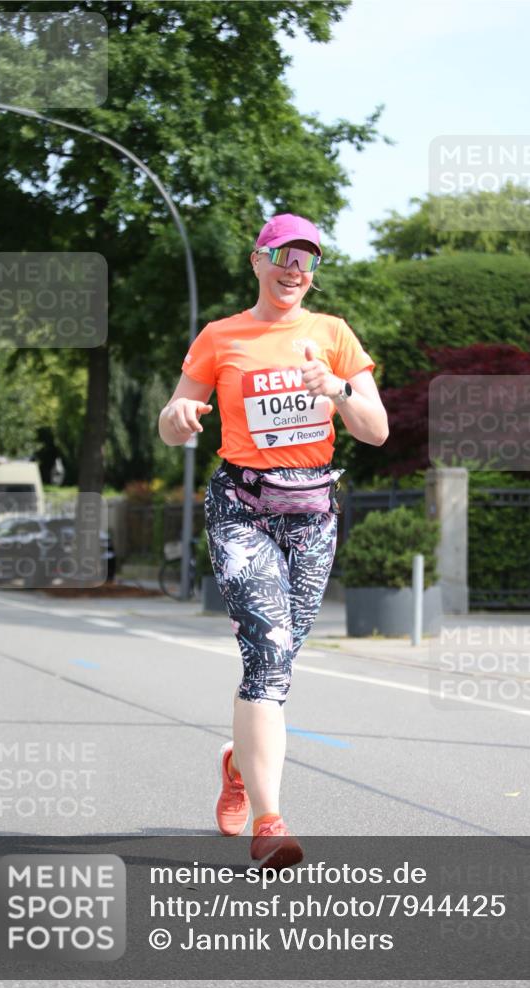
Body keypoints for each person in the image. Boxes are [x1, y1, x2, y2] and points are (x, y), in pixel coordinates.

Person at [158, 213, 388, 869]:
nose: (295, 270)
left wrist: (338, 389)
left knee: (276, 662)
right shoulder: (221, 336)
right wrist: (176, 417)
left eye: (307, 261)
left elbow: (374, 430)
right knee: (269, 652)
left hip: (313, 512)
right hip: (242, 507)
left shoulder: (332, 335)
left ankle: (238, 764)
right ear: (257, 261)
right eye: (284, 256)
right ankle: (270, 821)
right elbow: (175, 424)